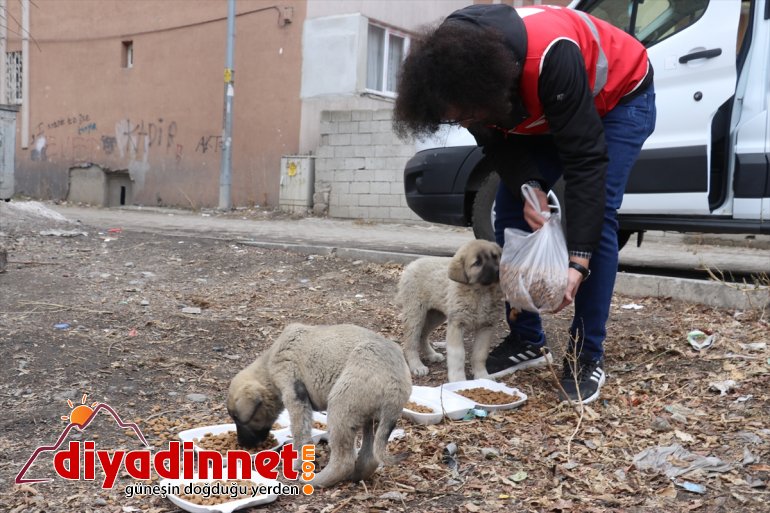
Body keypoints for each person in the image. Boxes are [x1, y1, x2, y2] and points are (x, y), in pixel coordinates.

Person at [393, 3, 656, 404]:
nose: (463, 122)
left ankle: (585, 353)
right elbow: (498, 144)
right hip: (538, 105)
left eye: (465, 115)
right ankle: (527, 339)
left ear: (487, 88)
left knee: (597, 215)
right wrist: (531, 187)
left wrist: (578, 260)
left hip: (618, 97)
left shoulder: (551, 56)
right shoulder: (452, 71)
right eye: (454, 119)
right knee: (512, 202)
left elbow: (586, 164)